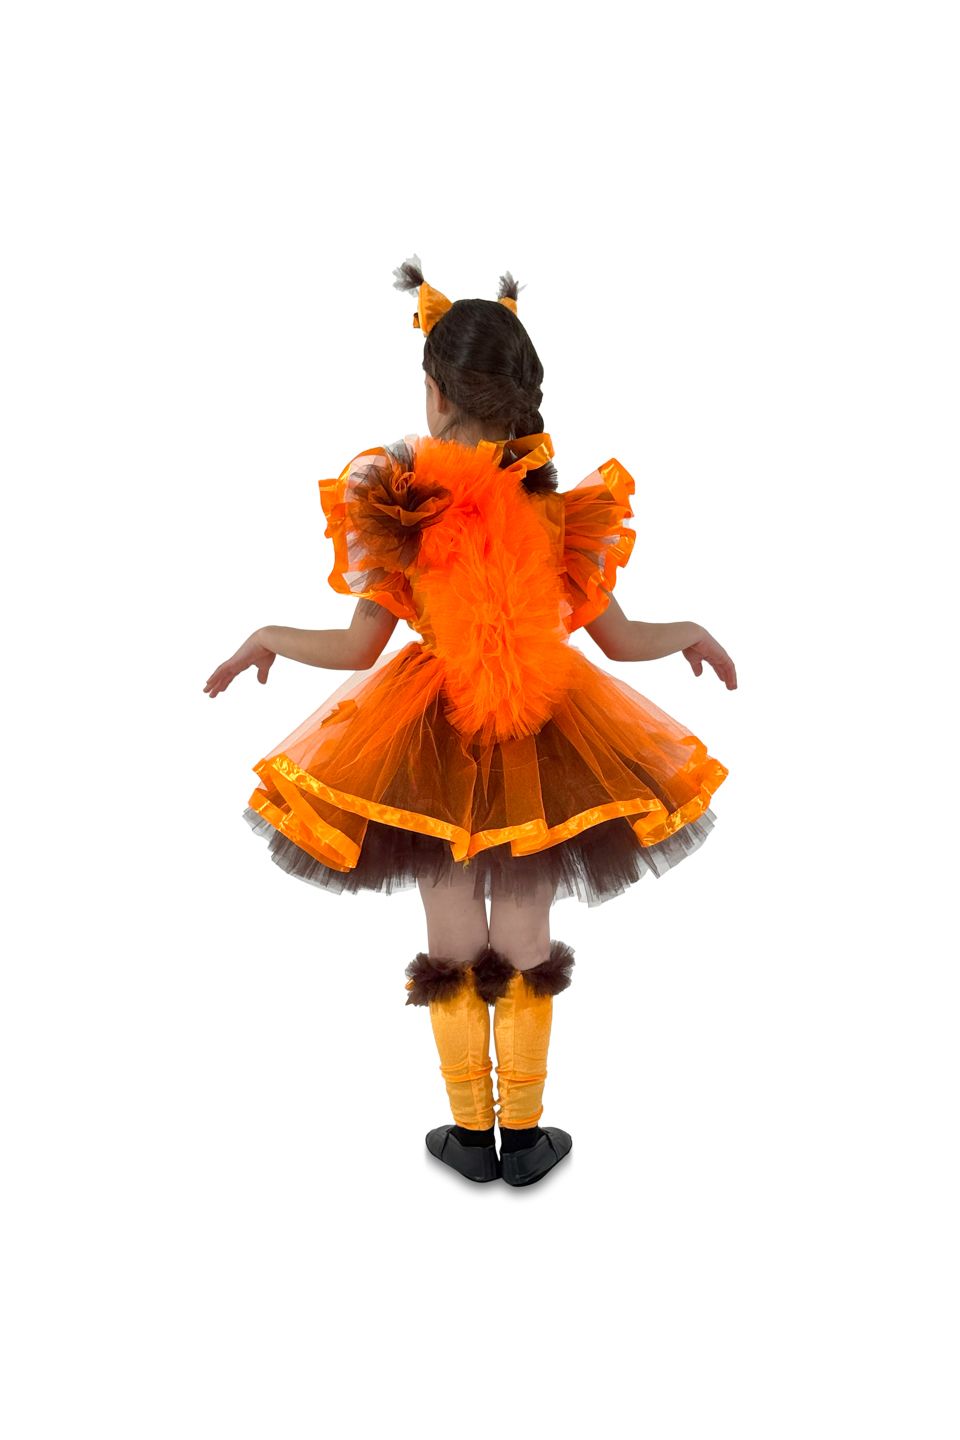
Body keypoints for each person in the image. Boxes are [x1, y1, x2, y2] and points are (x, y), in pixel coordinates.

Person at [203, 255, 737, 1188]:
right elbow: (618, 640)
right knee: (525, 936)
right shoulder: (555, 510)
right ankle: (524, 1139)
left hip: (428, 738)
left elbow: (359, 648)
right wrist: (686, 631)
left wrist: (269, 638)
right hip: (544, 735)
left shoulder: (400, 504)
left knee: (452, 937)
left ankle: (467, 1134)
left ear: (437, 392)